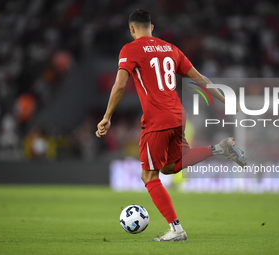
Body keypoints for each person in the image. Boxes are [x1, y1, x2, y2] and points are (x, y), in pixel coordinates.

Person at [96, 9, 247, 242]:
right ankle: (221, 148)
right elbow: (200, 78)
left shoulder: (130, 49)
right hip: (178, 115)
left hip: (157, 120)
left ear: (132, 29)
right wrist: (226, 99)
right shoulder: (171, 49)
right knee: (170, 166)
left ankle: (176, 229)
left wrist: (107, 116)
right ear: (152, 27)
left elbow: (119, 86)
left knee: (148, 176)